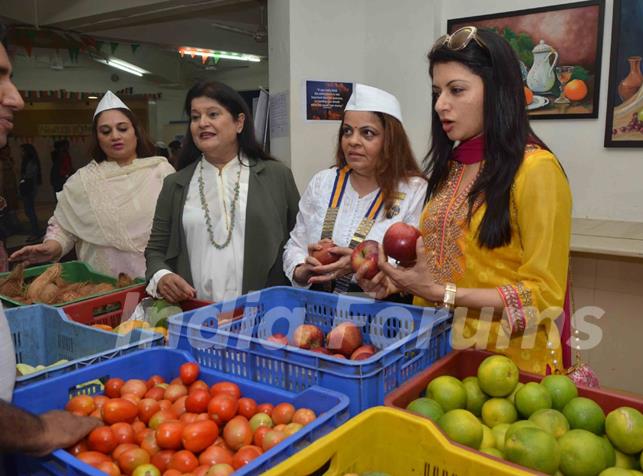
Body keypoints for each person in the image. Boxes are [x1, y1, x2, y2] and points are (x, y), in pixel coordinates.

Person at [358, 27, 572, 375]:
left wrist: (443, 294)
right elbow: (447, 267)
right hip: (438, 354)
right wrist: (397, 282)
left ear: (499, 92)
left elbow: (543, 297)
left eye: (456, 90)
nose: (441, 104)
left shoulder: (536, 171)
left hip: (506, 369)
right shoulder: (452, 168)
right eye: (437, 92)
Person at [0, 23, 100, 462]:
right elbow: (66, 224)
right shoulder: (82, 179)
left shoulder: (161, 173)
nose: (17, 97)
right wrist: (36, 430)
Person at [145, 81, 300, 302]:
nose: (202, 123)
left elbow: (298, 242)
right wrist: (162, 276)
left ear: (239, 122)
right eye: (195, 117)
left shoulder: (276, 176)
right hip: (196, 314)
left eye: (213, 114)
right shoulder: (176, 184)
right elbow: (155, 251)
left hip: (264, 314)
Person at [10, 91, 175, 278]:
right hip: (102, 285)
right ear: (97, 138)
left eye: (122, 128)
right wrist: (51, 247)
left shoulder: (161, 171)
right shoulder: (81, 182)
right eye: (106, 131)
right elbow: (64, 228)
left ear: (136, 132)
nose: (115, 136)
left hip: (159, 282)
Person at [283, 84, 427, 294]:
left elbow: (415, 264)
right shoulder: (323, 182)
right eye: (347, 131)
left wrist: (360, 264)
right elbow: (294, 245)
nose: (353, 141)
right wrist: (303, 269)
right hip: (317, 307)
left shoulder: (414, 190)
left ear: (391, 140)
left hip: (382, 310)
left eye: (367, 133)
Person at [18, 144, 42, 240]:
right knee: (28, 211)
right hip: (28, 188)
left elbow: (29, 176)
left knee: (29, 211)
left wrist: (22, 177)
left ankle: (35, 232)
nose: (21, 153)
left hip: (29, 188)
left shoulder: (31, 162)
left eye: (23, 151)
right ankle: (36, 230)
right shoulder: (27, 161)